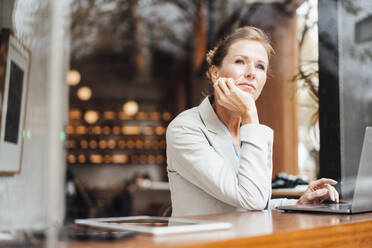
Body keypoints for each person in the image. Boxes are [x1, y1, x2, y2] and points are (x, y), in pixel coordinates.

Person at [166, 26, 339, 217]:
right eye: (240, 62)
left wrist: (299, 203)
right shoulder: (185, 128)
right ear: (215, 73)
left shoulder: (246, 130)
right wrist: (249, 113)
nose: (251, 73)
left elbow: (255, 204)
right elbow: (251, 198)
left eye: (260, 66)